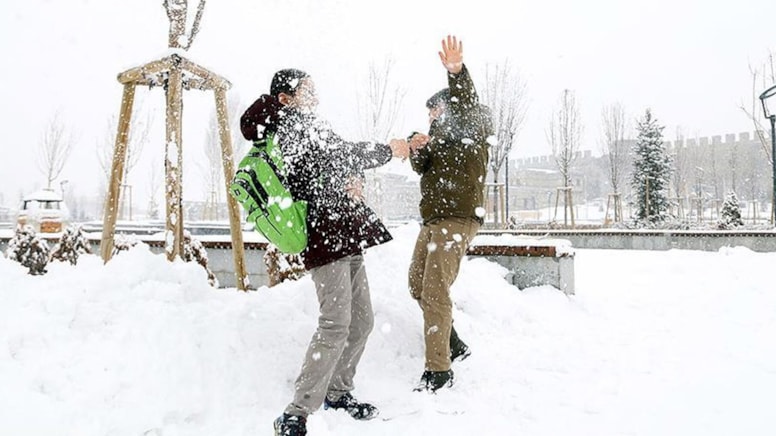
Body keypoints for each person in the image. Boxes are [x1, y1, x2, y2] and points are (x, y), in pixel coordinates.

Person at [240, 68, 410, 436]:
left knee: (362, 321)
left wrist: (355, 180)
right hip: (324, 235)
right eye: (306, 89)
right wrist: (388, 151)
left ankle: (338, 391)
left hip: (344, 231)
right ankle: (296, 413)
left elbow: (334, 163)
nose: (315, 93)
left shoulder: (310, 123)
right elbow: (339, 154)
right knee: (335, 324)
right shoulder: (290, 125)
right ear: (287, 98)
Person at [406, 35, 493, 392]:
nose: (431, 117)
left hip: (458, 219)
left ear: (451, 107)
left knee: (436, 291)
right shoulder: (438, 139)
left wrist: (456, 72)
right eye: (429, 114)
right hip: (434, 221)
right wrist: (416, 146)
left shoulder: (472, 124)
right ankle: (453, 342)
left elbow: (467, 102)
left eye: (436, 111)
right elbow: (421, 167)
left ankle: (439, 371)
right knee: (417, 285)